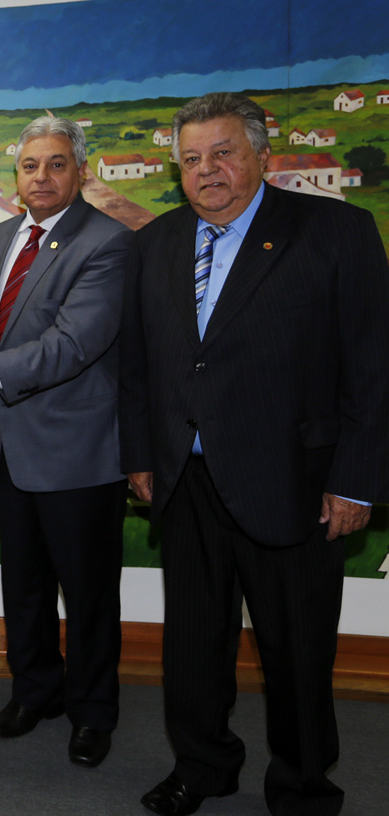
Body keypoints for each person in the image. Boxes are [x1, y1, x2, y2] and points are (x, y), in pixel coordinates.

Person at [118, 92, 389, 816]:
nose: (207, 171)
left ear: (262, 155)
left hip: (296, 483)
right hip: (186, 481)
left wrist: (358, 482)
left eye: (223, 152)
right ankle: (202, 767)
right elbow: (140, 366)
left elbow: (372, 368)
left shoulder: (337, 232)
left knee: (297, 653)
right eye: (192, 159)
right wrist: (141, 455)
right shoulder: (156, 244)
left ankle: (302, 785)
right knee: (193, 648)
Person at [0, 116, 132, 768]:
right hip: (10, 451)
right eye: (30, 165)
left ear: (81, 171)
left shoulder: (108, 244)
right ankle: (35, 689)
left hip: (78, 454)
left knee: (89, 592)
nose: (42, 176)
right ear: (16, 175)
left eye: (57, 164)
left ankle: (93, 712)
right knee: (25, 586)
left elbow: (71, 345)